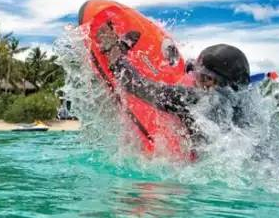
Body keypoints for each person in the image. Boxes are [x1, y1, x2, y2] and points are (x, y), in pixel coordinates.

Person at [96, 22, 250, 141]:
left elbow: (135, 85)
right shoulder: (245, 106)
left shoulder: (198, 100)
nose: (193, 76)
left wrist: (113, 49)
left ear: (209, 80)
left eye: (197, 72)